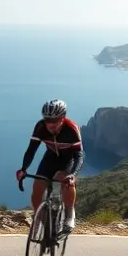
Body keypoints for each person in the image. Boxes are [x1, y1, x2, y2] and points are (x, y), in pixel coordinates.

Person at [16, 99, 84, 233]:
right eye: (47, 120)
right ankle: (40, 219)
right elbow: (31, 150)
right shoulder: (40, 127)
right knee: (37, 185)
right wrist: (23, 169)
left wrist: (73, 175)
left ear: (62, 118)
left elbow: (79, 155)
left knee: (64, 180)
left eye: (54, 120)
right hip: (51, 156)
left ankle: (69, 215)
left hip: (68, 158)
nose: (50, 124)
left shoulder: (71, 129)